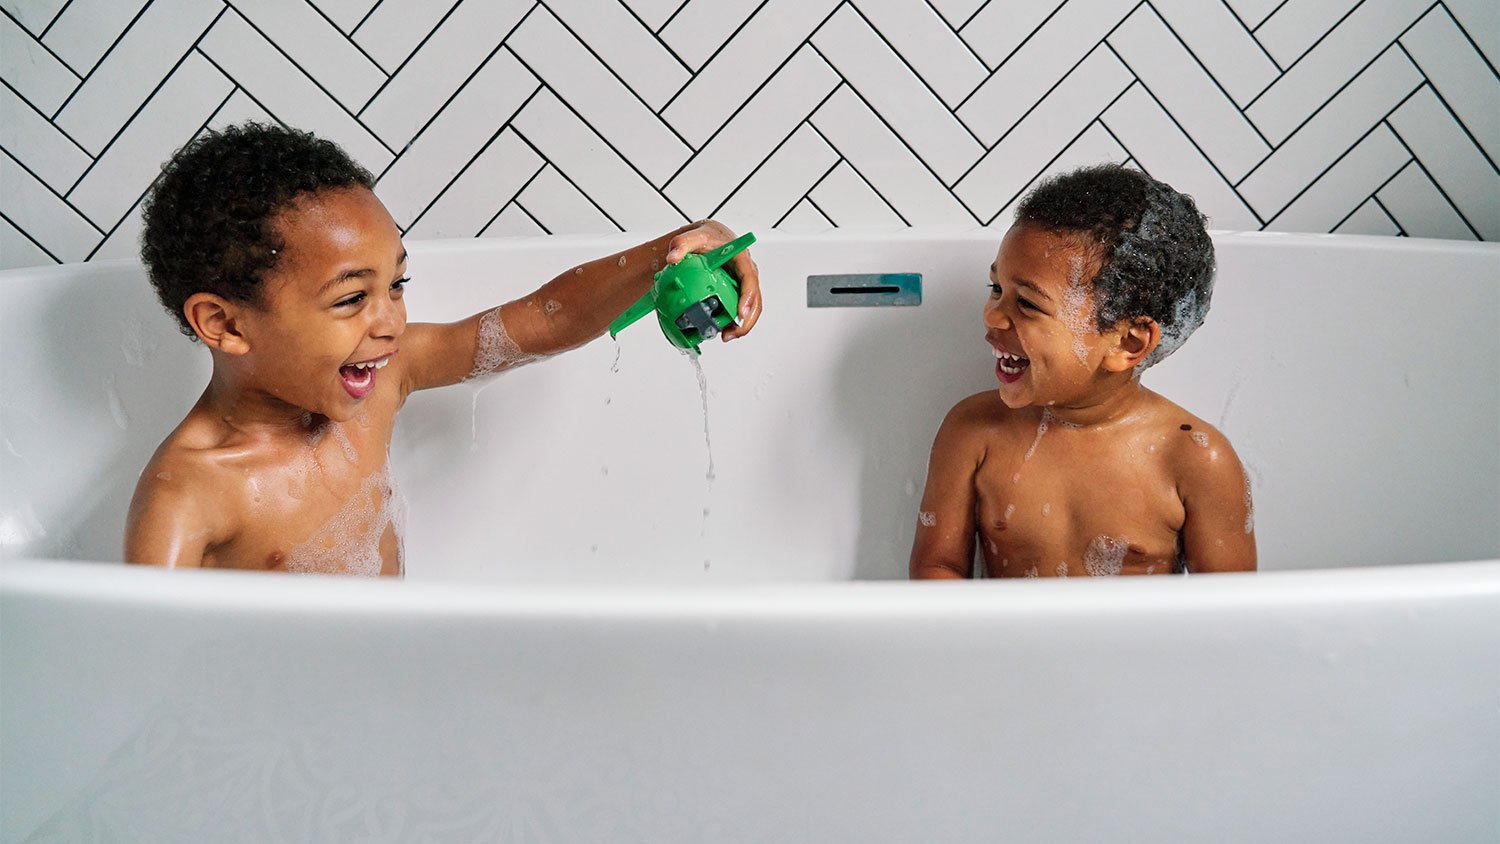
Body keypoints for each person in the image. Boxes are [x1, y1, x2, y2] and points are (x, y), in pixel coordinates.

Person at [124, 122, 761, 576]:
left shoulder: (379, 378)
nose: (391, 324)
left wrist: (670, 253)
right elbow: (153, 682)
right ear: (224, 323)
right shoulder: (190, 494)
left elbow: (544, 319)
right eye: (351, 299)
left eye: (396, 285)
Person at [909, 164, 1255, 579]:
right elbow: (939, 566)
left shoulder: (1194, 459)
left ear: (1127, 343)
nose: (993, 318)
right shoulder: (973, 430)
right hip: (1006, 644)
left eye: (1028, 305)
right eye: (996, 289)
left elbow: (1227, 614)